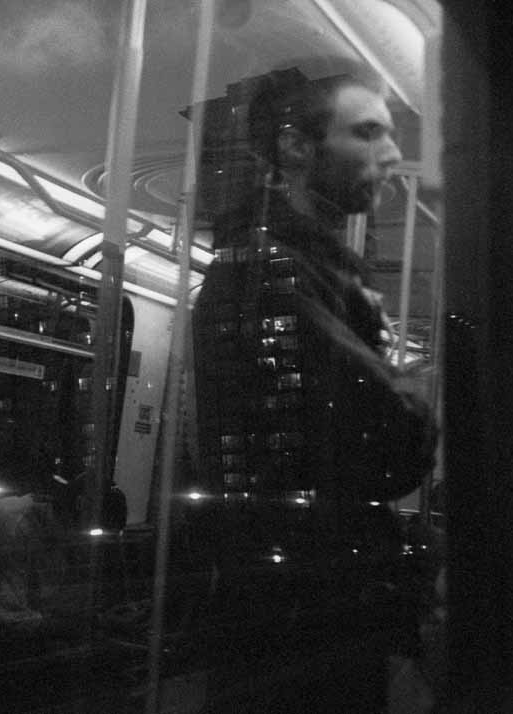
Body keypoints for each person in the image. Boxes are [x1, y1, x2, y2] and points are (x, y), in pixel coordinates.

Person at [188, 65, 437, 712]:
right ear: (297, 147)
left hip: (293, 596)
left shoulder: (288, 268)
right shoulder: (276, 272)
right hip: (304, 609)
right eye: (368, 131)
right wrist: (422, 390)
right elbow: (390, 447)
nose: (393, 152)